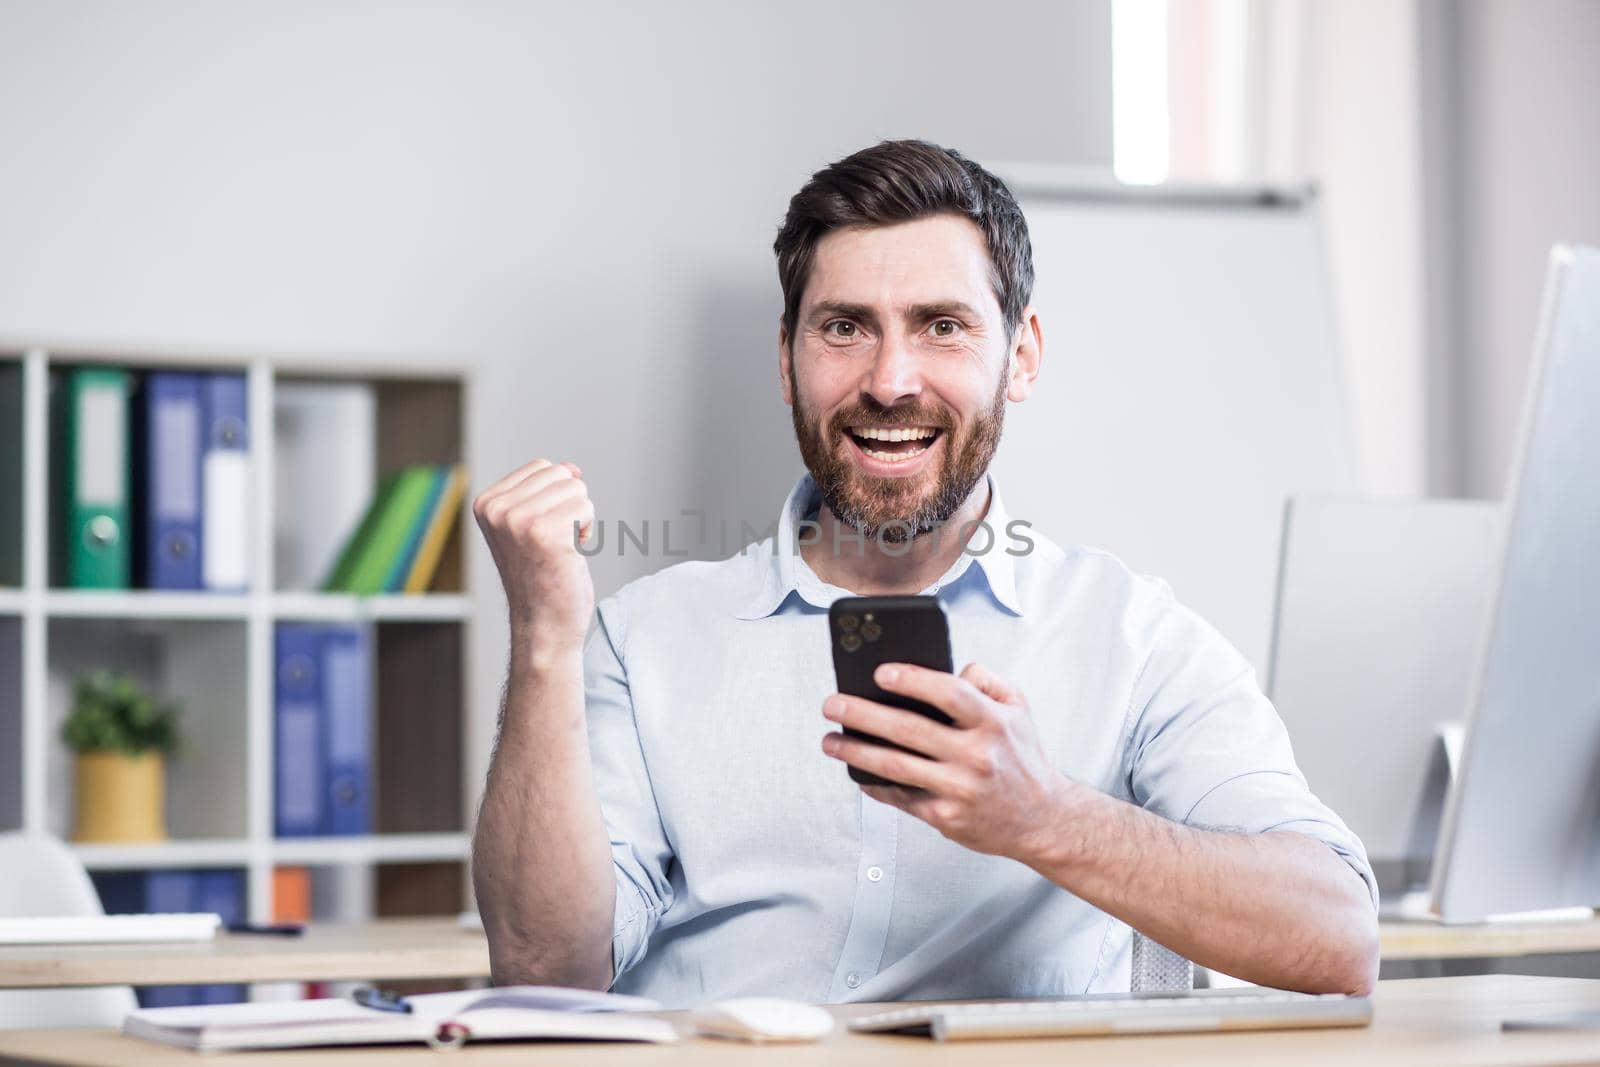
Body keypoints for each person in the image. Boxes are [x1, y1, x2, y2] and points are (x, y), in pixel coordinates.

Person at [471, 139, 1379, 1007]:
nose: (890, 379)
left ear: (1019, 356)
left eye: (942, 326)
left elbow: (1337, 935)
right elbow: (545, 968)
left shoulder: (1135, 639)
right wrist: (545, 639)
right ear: (786, 358)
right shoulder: (645, 639)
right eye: (845, 328)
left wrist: (1048, 817)